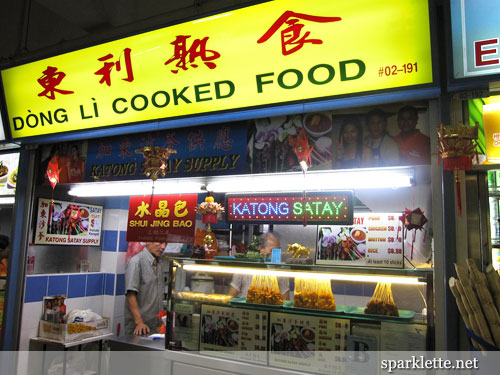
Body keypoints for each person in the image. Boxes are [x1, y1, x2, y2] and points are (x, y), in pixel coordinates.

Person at [228, 233, 290, 299]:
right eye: (272, 251)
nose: (277, 254)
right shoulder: (244, 267)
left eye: (278, 250)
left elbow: (285, 297)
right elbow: (232, 294)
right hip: (246, 307)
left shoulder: (280, 270)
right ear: (261, 249)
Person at [125, 242, 166, 335]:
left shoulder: (159, 263)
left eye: (165, 243)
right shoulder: (136, 262)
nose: (163, 247)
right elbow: (131, 295)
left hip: (156, 326)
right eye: (160, 242)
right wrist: (139, 322)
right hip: (140, 328)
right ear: (148, 242)